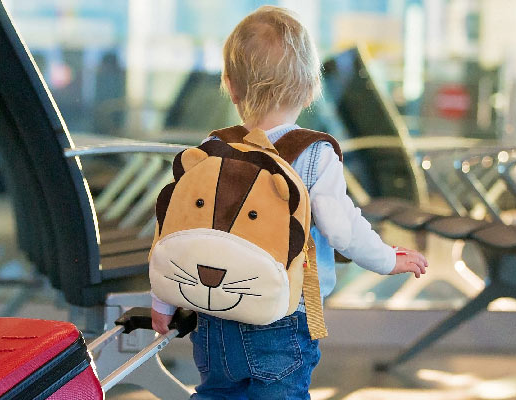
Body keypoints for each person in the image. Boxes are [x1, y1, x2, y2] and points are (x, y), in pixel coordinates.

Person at [149, 6, 430, 399]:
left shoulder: (211, 151)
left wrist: (161, 301)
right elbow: (340, 225)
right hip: (281, 315)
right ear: (311, 88)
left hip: (214, 317)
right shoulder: (313, 155)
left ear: (230, 86)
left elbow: (176, 229)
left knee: (216, 393)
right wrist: (387, 259)